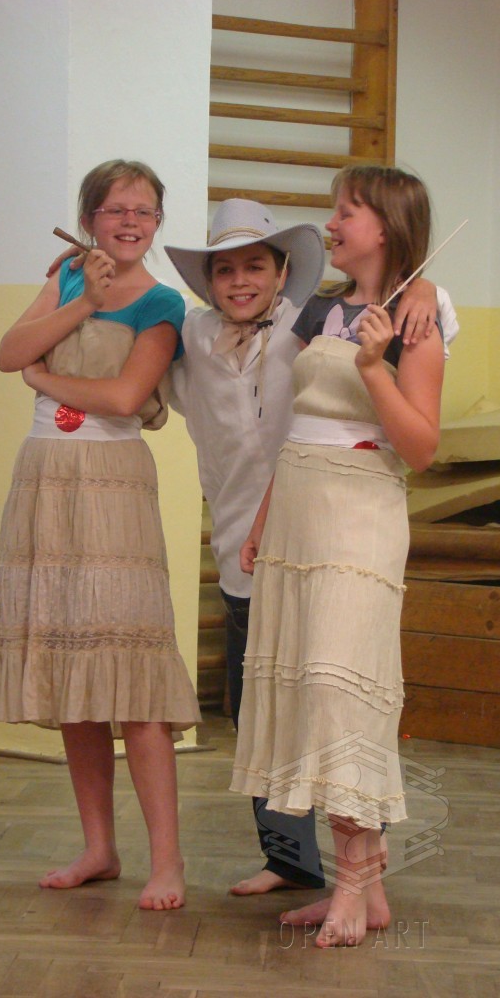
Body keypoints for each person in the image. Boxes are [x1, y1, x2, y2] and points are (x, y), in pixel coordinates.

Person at [163, 198, 441, 896]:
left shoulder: (310, 321)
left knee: (334, 690)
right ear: (207, 283)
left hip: (326, 524)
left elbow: (388, 316)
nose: (240, 281)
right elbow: (141, 364)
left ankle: (363, 862)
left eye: (256, 266)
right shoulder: (191, 336)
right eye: (224, 270)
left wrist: (425, 286)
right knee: (260, 701)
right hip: (247, 534)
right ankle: (289, 859)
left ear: (283, 272)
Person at [229, 165, 445, 946]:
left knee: (339, 691)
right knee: (307, 693)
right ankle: (366, 889)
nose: (332, 224)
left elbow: (421, 447)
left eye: (345, 211)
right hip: (298, 507)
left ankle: (352, 884)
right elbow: (297, 425)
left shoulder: (420, 315)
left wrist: (371, 367)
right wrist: (263, 517)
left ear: (384, 224)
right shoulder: (322, 308)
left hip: (360, 512)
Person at [0, 159, 201, 911]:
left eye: (143, 211)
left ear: (158, 222)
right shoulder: (70, 277)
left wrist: (44, 379)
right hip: (44, 480)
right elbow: (7, 353)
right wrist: (83, 303)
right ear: (88, 220)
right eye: (114, 210)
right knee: (73, 675)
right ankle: (99, 848)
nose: (129, 222)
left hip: (113, 484)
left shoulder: (164, 302)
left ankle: (167, 861)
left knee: (133, 678)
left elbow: (125, 396)